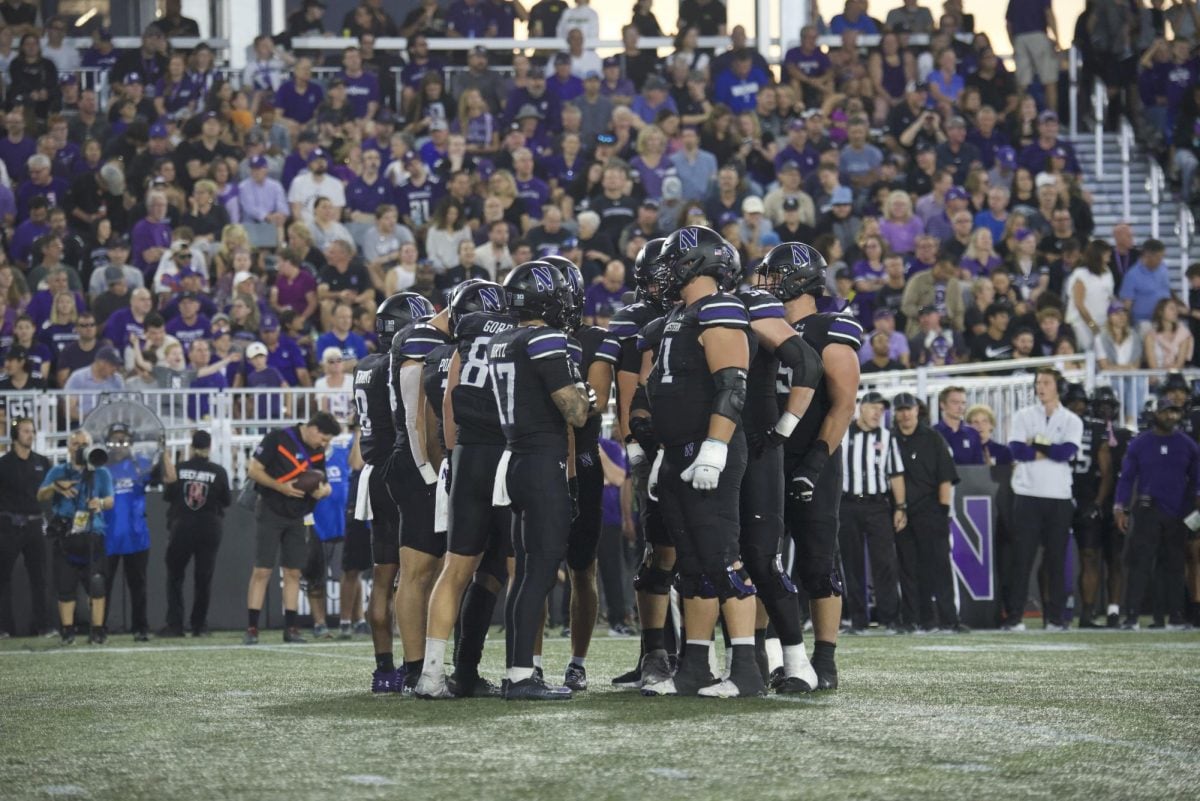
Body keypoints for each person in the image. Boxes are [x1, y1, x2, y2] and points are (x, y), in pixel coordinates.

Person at [634, 226, 760, 699]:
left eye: (672, 261)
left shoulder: (719, 307)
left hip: (711, 448)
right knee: (691, 565)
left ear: (695, 263)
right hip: (677, 449)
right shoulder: (676, 315)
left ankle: (746, 670)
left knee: (722, 557)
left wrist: (715, 447)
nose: (663, 271)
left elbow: (732, 385)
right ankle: (695, 666)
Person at [757, 240, 863, 691]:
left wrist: (816, 462)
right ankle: (762, 656)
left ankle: (825, 659)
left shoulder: (828, 328)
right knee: (761, 559)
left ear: (799, 278)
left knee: (818, 562)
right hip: (767, 456)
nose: (766, 283)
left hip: (809, 457)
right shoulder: (762, 323)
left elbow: (843, 405)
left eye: (775, 275)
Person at [486, 261, 590, 700]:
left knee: (526, 571)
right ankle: (521, 677)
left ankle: (517, 670)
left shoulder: (500, 339)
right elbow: (575, 411)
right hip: (542, 462)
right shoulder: (544, 337)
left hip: (513, 461)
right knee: (540, 572)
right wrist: (585, 393)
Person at [415, 280, 516, 699]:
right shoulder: (517, 337)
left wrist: (453, 459)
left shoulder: (454, 348)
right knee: (517, 570)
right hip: (508, 455)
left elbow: (448, 410)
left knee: (456, 570)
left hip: (466, 456)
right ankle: (523, 672)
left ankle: (431, 676)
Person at [351, 292, 436, 693]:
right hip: (402, 470)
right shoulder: (401, 363)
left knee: (383, 579)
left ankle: (383, 669)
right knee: (418, 576)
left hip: (372, 474)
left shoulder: (364, 366)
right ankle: (416, 663)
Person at [543, 256, 621, 692]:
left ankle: (577, 661)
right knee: (530, 570)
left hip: (584, 464)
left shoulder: (595, 340)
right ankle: (528, 662)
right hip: (537, 461)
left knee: (582, 569)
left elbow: (596, 404)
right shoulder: (526, 338)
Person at [388, 290, 454, 693]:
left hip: (419, 461)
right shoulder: (422, 338)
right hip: (418, 464)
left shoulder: (427, 336)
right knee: (418, 571)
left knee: (434, 570)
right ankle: (415, 668)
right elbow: (416, 419)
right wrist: (429, 471)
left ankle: (426, 665)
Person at [243, 412, 339, 645]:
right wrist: (280, 487)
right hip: (270, 510)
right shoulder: (277, 438)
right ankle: (252, 628)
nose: (324, 445)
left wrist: (324, 491)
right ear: (313, 428)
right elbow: (253, 470)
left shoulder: (317, 451)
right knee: (262, 570)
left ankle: (291, 628)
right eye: (324, 439)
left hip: (299, 515)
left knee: (293, 572)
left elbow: (322, 481)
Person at [1003, 368, 1083, 632]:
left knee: (1056, 560)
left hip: (1058, 496)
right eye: (1038, 382)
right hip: (1027, 494)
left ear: (1057, 387)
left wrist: (1037, 443)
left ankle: (1056, 618)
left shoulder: (1071, 420)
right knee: (1021, 558)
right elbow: (1016, 449)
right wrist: (1048, 448)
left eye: (1046, 382)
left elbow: (1066, 453)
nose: (1041, 387)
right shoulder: (1023, 415)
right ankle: (1015, 617)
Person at [1114, 396, 1200, 630]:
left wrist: (1195, 506)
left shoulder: (1188, 444)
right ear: (1156, 414)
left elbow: (1197, 478)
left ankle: (1174, 616)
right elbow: (1127, 478)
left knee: (1173, 565)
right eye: (1166, 412)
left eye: (1174, 412)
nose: (1171, 416)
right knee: (1140, 564)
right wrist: (1120, 506)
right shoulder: (1140, 443)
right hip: (1147, 509)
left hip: (1178, 513)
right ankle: (1131, 616)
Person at [891, 392, 968, 633]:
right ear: (895, 413)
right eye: (901, 409)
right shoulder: (890, 439)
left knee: (939, 566)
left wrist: (943, 512)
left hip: (931, 510)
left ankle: (948, 619)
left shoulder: (934, 438)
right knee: (908, 567)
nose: (905, 413)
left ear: (917, 410)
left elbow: (945, 477)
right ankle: (914, 620)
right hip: (901, 513)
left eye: (909, 408)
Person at [38, 429, 114, 645]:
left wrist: (98, 503)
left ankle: (98, 630)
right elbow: (40, 494)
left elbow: (110, 500)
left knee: (97, 584)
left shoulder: (101, 472)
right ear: (69, 447)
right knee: (65, 586)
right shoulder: (58, 471)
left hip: (93, 533)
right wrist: (56, 487)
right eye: (75, 444)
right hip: (67, 535)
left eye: (84, 443)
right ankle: (67, 630)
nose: (80, 447)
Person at [837, 391, 905, 634]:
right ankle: (857, 620)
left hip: (877, 505)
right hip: (847, 504)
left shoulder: (887, 437)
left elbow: (895, 474)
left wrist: (900, 507)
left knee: (885, 562)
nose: (878, 412)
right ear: (861, 408)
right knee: (851, 563)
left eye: (882, 409)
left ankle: (890, 619)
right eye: (874, 407)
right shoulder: (843, 433)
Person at [158, 430, 231, 638]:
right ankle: (199, 625)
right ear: (210, 447)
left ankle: (175, 625)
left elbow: (169, 496)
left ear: (191, 446)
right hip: (210, 528)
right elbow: (226, 501)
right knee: (203, 578)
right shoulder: (219, 472)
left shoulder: (179, 469)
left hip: (182, 526)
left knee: (175, 577)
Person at [1062, 384, 1113, 628]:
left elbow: (1106, 471)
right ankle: (1054, 614)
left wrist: (1097, 503)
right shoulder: (1055, 423)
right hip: (1058, 495)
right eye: (1073, 400)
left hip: (1085, 498)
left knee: (1089, 555)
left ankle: (1087, 614)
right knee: (1053, 556)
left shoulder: (1095, 428)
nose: (1078, 405)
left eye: (1082, 400)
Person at [99, 423, 156, 641]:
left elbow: (169, 478)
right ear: (107, 444)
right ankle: (99, 628)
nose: (118, 445)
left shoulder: (140, 464)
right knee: (103, 586)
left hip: (136, 535)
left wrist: (164, 448)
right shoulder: (101, 467)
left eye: (123, 440)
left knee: (138, 587)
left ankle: (140, 627)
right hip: (108, 536)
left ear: (130, 443)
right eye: (114, 441)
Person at [0, 417, 53, 638]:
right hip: (9, 524)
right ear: (15, 436)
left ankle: (44, 626)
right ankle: (4, 628)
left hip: (34, 524)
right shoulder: (3, 464)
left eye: (32, 431)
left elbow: (49, 493)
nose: (30, 435)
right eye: (25, 431)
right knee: (3, 577)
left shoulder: (43, 462)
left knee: (39, 577)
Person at [933, 386, 985, 465]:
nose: (960, 407)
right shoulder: (933, 433)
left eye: (963, 403)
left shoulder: (973, 434)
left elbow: (978, 466)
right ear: (942, 405)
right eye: (955, 403)